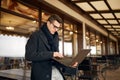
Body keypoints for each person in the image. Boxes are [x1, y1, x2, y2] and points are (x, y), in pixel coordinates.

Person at [25, 14, 66, 80]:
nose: (56, 30)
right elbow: (29, 55)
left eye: (58, 28)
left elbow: (56, 58)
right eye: (54, 26)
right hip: (42, 74)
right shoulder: (36, 35)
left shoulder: (56, 37)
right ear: (48, 23)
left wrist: (68, 64)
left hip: (56, 71)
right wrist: (52, 54)